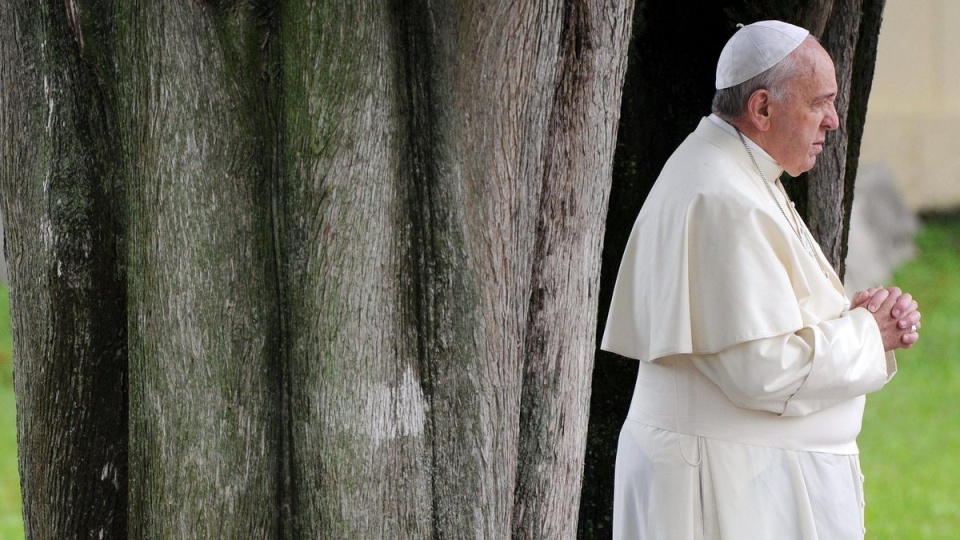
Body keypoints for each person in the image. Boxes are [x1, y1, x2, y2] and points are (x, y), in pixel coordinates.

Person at [601, 20, 922, 539]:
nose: (834, 121)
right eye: (820, 102)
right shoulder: (722, 196)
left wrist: (856, 318)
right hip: (721, 486)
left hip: (743, 476)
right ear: (763, 108)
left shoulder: (736, 173)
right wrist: (868, 333)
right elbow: (763, 371)